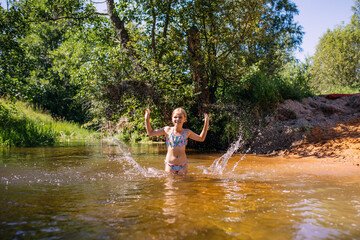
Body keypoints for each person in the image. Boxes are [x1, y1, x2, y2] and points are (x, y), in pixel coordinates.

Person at [145, 107, 209, 175]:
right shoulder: (167, 130)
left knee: (182, 184)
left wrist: (206, 124)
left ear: (185, 119)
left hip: (183, 165)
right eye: (175, 117)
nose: (177, 119)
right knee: (170, 185)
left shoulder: (187, 132)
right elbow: (150, 133)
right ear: (172, 119)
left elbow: (201, 138)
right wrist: (146, 119)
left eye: (180, 117)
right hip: (170, 165)